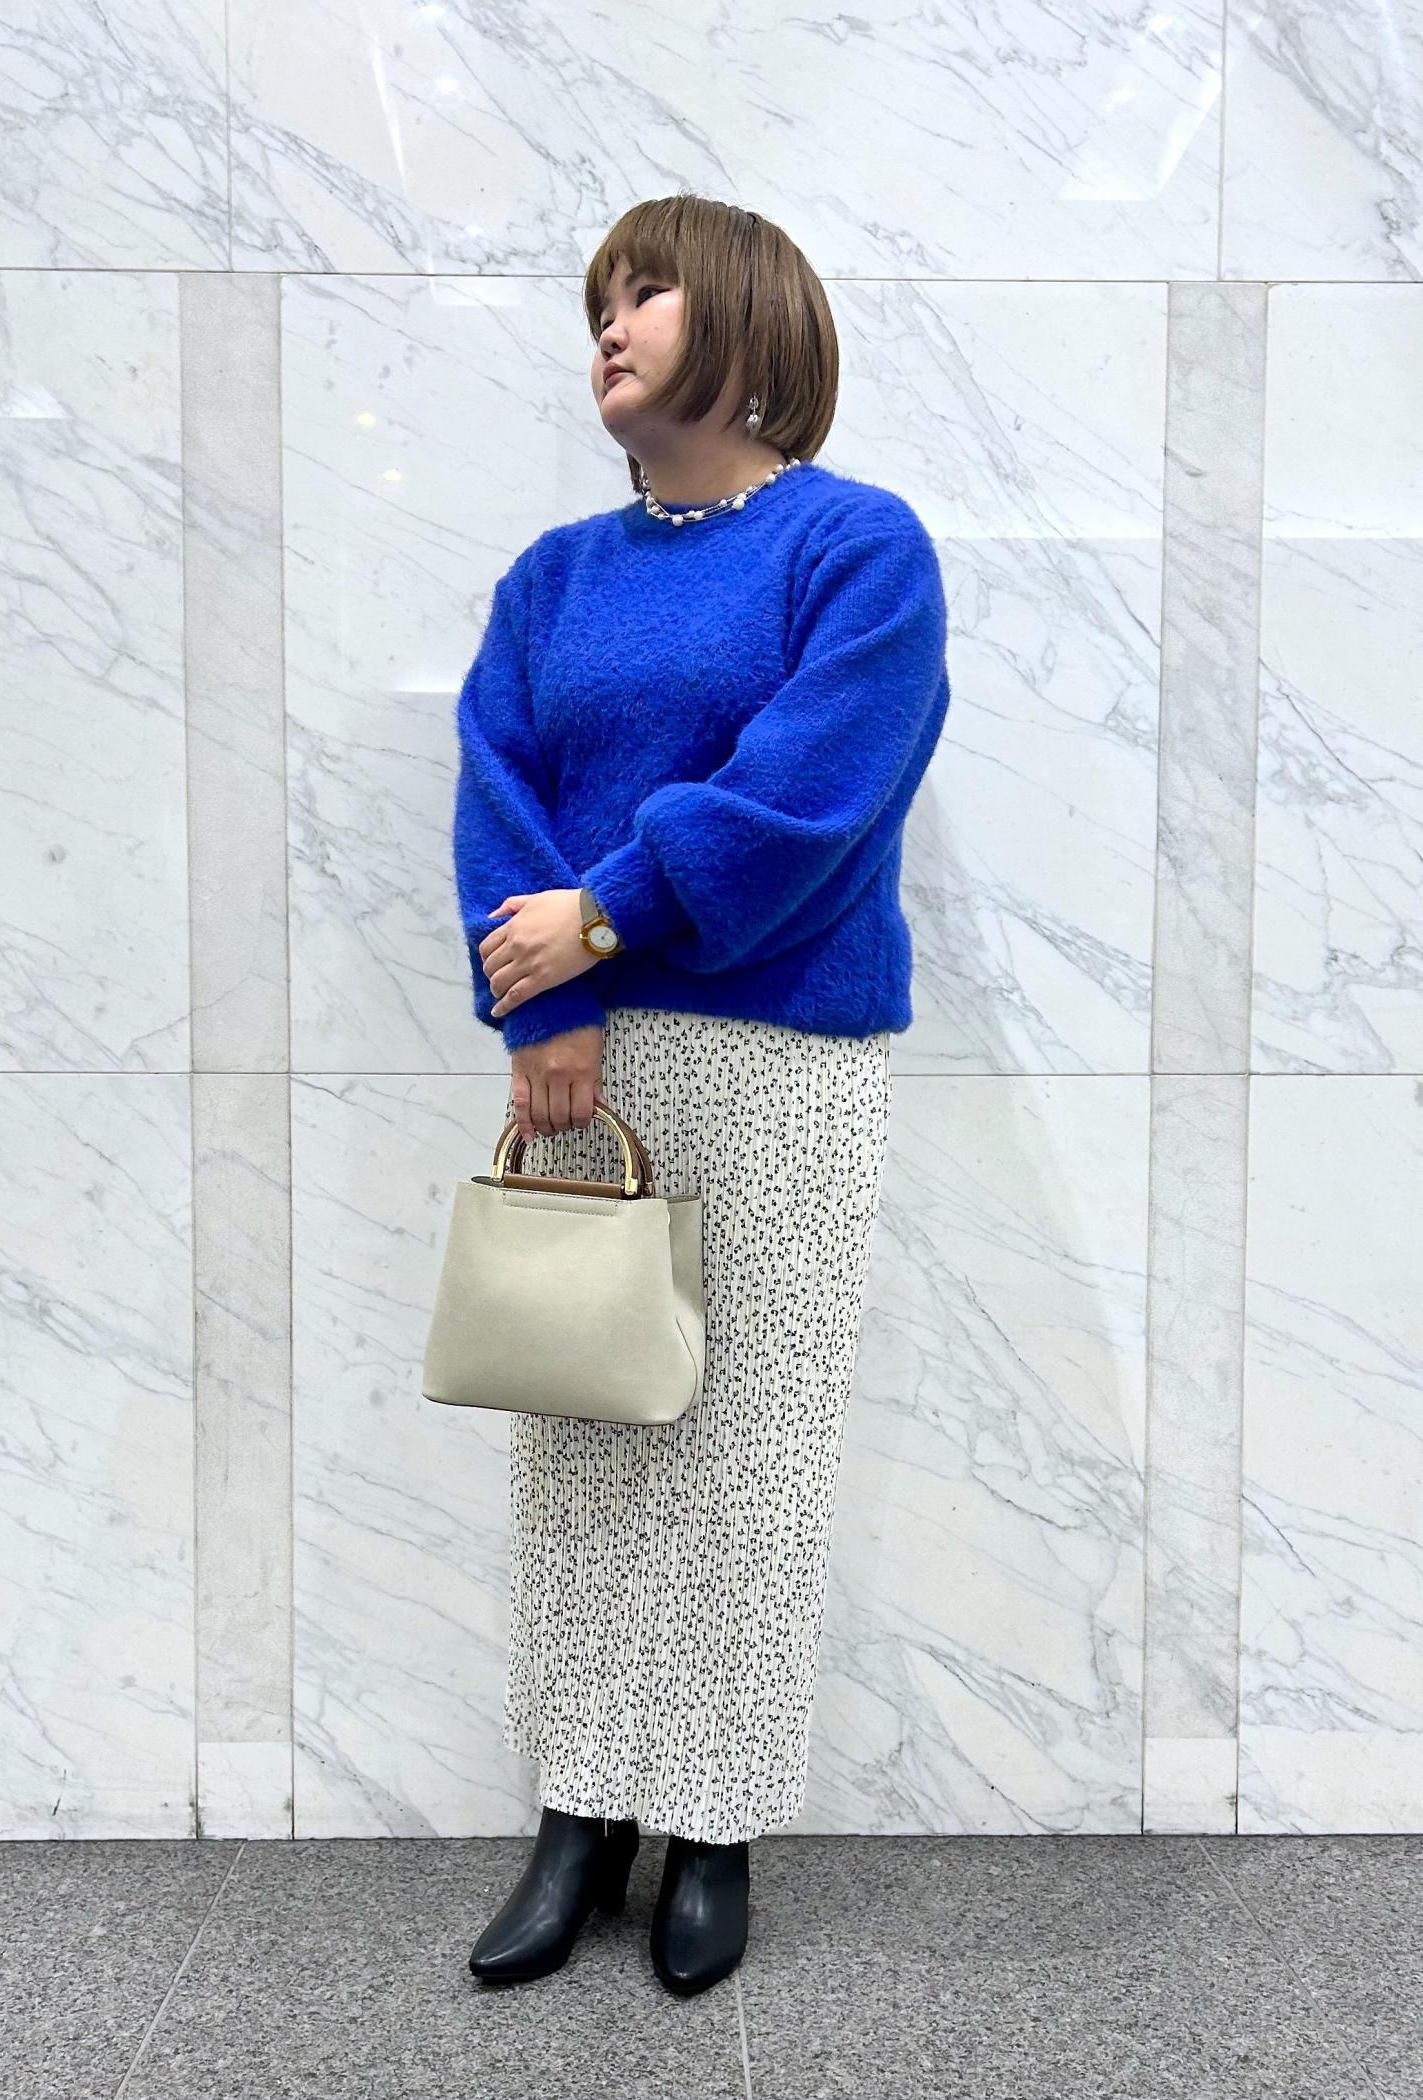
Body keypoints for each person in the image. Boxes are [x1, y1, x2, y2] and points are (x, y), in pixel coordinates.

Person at [451, 193, 950, 1996]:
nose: (608, 322)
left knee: (754, 1447)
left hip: (791, 1053)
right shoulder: (553, 576)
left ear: (744, 317)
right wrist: (547, 1005)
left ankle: (714, 1821)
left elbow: (817, 792)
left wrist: (603, 916)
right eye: (598, 298)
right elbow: (497, 793)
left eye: (644, 290)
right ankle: (579, 1816)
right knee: (581, 1434)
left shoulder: (857, 546)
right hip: (587, 1052)